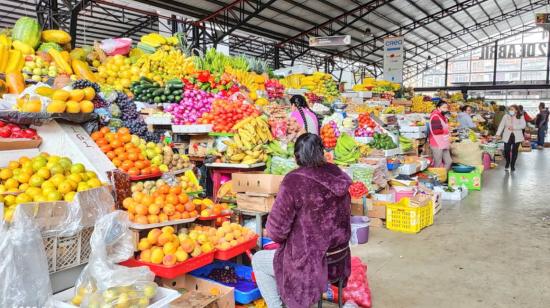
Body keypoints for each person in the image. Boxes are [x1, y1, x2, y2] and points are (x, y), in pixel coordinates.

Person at [252, 133, 352, 308]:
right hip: (339, 258)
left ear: (296, 156)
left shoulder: (294, 181)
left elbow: (276, 232)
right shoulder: (337, 174)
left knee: (258, 260)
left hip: (309, 263)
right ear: (322, 152)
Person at [496, 105, 526, 171]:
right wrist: (498, 134)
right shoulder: (505, 116)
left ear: (516, 110)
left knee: (515, 151)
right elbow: (501, 125)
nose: (510, 110)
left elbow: (523, 125)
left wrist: (514, 127)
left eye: (512, 109)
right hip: (507, 135)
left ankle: (512, 165)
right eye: (510, 109)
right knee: (506, 150)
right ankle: (507, 162)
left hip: (517, 136)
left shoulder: (520, 116)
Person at [429, 101, 452, 170]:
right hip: (436, 143)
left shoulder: (442, 116)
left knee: (449, 161)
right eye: (443, 107)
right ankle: (436, 179)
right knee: (438, 163)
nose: (446, 109)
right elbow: (436, 131)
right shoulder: (435, 116)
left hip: (443, 142)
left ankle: (442, 177)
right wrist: (447, 130)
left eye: (446, 107)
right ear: (438, 108)